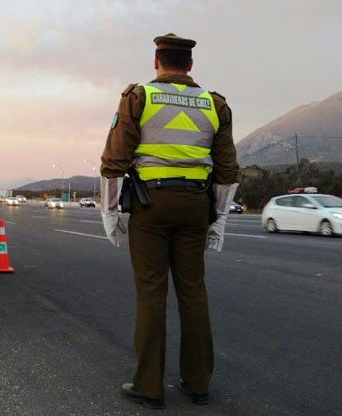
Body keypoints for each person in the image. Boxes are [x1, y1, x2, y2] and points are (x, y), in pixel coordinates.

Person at [99, 33, 240, 409]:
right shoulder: (215, 105)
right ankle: (197, 383)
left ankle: (149, 386)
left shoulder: (139, 97)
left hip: (151, 205)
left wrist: (110, 214)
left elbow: (114, 162)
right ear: (190, 66)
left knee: (151, 293)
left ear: (156, 62)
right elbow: (227, 171)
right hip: (196, 205)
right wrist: (220, 219)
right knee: (193, 292)